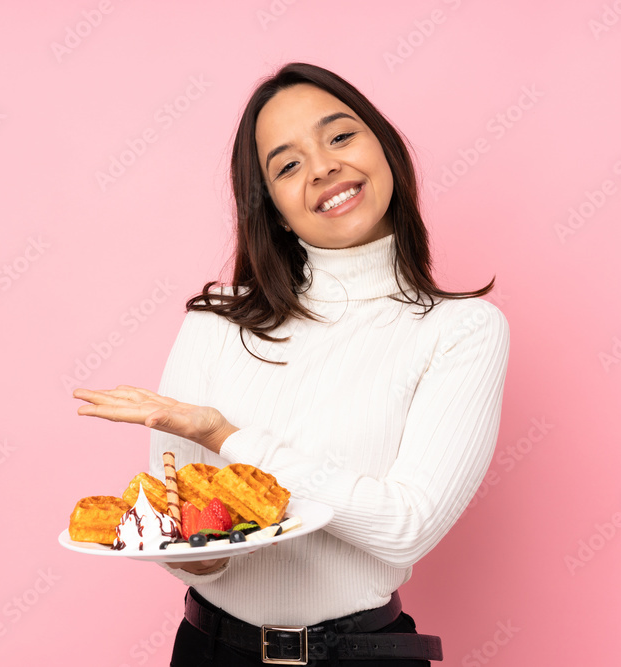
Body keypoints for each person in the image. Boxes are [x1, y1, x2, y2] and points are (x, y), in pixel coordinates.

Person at [73, 62, 510, 666]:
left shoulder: (460, 331)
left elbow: (408, 524)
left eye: (339, 137)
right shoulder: (218, 320)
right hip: (212, 651)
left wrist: (224, 436)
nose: (324, 167)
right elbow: (192, 533)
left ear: (384, 148)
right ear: (274, 208)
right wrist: (187, 547)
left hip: (361, 654)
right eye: (287, 164)